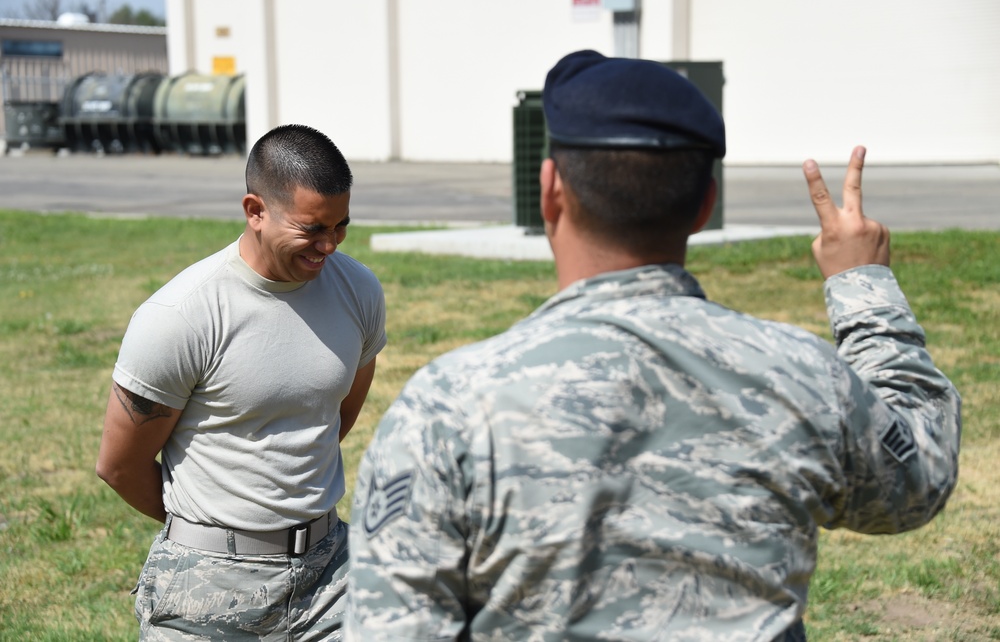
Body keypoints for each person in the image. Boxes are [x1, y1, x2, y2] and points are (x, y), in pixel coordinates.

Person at [344, 50, 961, 641]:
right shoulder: (798, 376)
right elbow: (915, 482)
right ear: (704, 207)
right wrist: (863, 287)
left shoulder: (449, 406)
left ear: (551, 191)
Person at [96, 123, 386, 640]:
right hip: (207, 586)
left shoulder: (358, 291)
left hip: (332, 577)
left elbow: (331, 420)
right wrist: (215, 530)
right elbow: (119, 465)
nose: (328, 245)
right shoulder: (181, 316)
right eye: (312, 228)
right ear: (255, 211)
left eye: (340, 226)